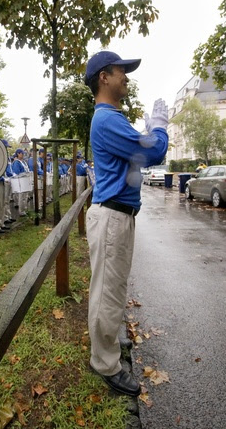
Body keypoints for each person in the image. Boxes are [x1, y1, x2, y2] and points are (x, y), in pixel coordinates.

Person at [84, 51, 168, 397]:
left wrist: (145, 137)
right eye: (122, 72)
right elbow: (152, 153)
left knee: (110, 289)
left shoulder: (110, 117)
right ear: (104, 76)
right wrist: (158, 130)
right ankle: (104, 363)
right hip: (112, 217)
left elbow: (134, 159)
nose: (127, 78)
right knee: (108, 293)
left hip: (117, 215)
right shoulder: (106, 119)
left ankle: (105, 353)